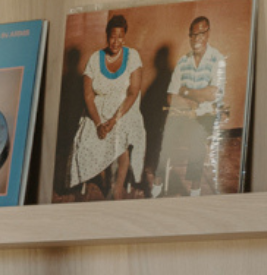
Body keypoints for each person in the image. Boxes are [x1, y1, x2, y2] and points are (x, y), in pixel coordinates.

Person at [69, 14, 147, 197]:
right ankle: (100, 176)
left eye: (120, 36)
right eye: (113, 36)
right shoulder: (95, 59)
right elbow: (88, 95)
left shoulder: (133, 56)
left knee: (120, 137)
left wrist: (113, 120)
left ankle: (117, 188)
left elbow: (133, 92)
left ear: (124, 37)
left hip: (124, 109)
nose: (116, 41)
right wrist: (98, 123)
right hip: (98, 111)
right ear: (107, 35)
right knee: (85, 138)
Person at [161, 14, 227, 196]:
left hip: (206, 115)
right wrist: (189, 104)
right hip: (183, 113)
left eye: (201, 34)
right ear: (189, 37)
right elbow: (170, 97)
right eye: (193, 35)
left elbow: (212, 94)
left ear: (208, 34)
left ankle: (195, 189)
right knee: (165, 133)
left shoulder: (217, 59)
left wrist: (186, 92)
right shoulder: (183, 62)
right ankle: (158, 183)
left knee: (198, 137)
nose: (197, 39)